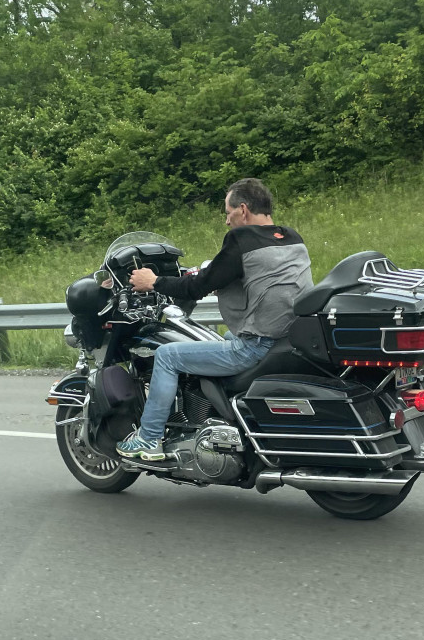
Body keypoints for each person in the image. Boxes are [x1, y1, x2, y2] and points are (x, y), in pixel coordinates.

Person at [116, 178, 312, 461]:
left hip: (257, 345)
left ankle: (148, 439)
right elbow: (269, 281)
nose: (226, 221)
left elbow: (198, 287)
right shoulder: (291, 237)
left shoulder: (241, 240)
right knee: (225, 337)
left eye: (228, 213)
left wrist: (154, 281)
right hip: (289, 337)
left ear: (243, 210)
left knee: (168, 356)